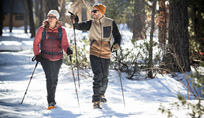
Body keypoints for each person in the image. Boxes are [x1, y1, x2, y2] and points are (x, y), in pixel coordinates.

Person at [70, 4, 121, 109]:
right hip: (94, 52)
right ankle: (96, 100)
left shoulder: (110, 22)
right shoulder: (90, 23)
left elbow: (117, 36)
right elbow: (78, 26)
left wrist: (117, 44)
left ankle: (102, 94)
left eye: (95, 11)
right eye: (92, 11)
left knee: (105, 76)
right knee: (97, 76)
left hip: (106, 52)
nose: (93, 13)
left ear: (101, 12)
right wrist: (75, 19)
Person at [33, 10, 73, 110]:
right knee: (50, 78)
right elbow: (36, 43)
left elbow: (64, 44)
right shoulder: (42, 29)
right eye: (49, 16)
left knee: (54, 78)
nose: (50, 18)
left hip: (58, 58)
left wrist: (67, 50)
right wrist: (37, 54)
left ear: (57, 19)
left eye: (52, 17)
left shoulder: (61, 31)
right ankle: (50, 101)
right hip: (45, 58)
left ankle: (52, 98)